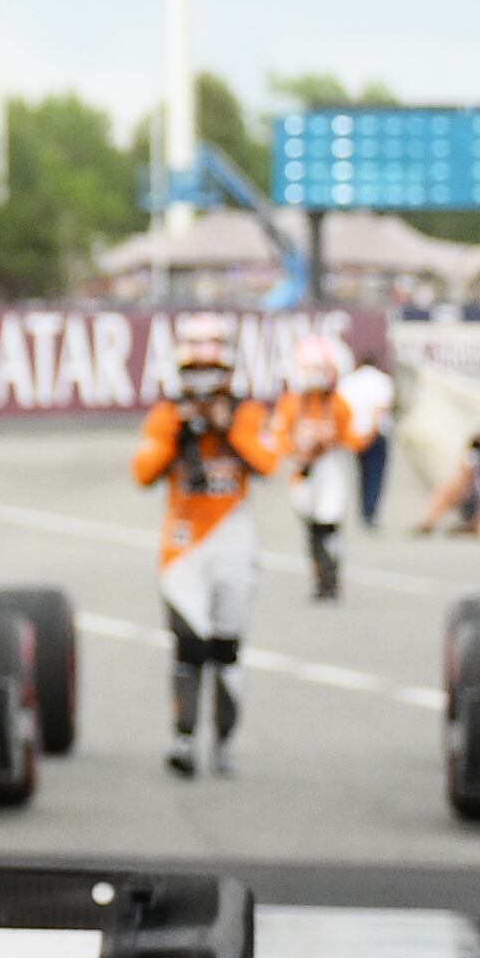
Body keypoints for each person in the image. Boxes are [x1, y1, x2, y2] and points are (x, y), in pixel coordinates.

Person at [133, 323, 276, 775]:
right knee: (189, 645)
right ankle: (183, 738)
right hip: (184, 546)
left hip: (233, 540)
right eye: (193, 371)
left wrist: (226, 429)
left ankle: (223, 743)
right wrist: (180, 434)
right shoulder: (166, 416)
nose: (202, 382)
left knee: (227, 650)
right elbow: (143, 472)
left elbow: (267, 463)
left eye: (210, 371)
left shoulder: (247, 414)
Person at [275, 334, 364, 605]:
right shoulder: (291, 403)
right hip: (303, 472)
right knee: (311, 528)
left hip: (329, 467)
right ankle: (319, 577)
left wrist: (331, 440)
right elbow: (279, 437)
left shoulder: (337, 404)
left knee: (329, 524)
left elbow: (353, 439)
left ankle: (331, 577)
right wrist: (298, 450)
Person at [340, 346, 399, 525]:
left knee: (361, 473)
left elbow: (343, 410)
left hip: (355, 433)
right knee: (375, 474)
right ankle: (369, 511)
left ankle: (363, 509)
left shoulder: (349, 381)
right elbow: (380, 409)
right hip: (375, 434)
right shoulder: (382, 381)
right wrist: (371, 431)